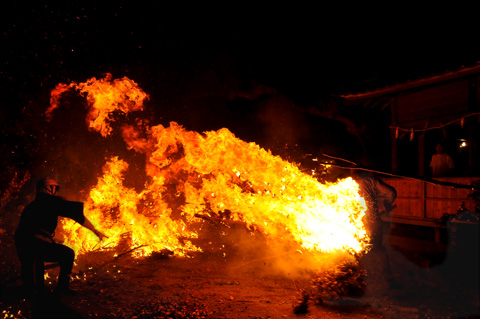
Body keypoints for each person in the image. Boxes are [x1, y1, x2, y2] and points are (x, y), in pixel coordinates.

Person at [14, 177, 106, 296]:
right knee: (67, 254)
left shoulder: (34, 205)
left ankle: (32, 292)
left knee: (33, 281)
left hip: (23, 244)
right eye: (55, 188)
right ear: (48, 189)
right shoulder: (49, 201)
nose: (57, 192)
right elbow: (77, 215)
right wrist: (95, 231)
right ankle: (61, 289)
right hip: (35, 244)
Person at [353, 170, 398, 289]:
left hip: (358, 221)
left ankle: (355, 279)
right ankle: (389, 280)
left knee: (355, 250)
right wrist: (386, 205)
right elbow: (391, 193)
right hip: (373, 220)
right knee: (378, 249)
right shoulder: (372, 180)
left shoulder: (350, 182)